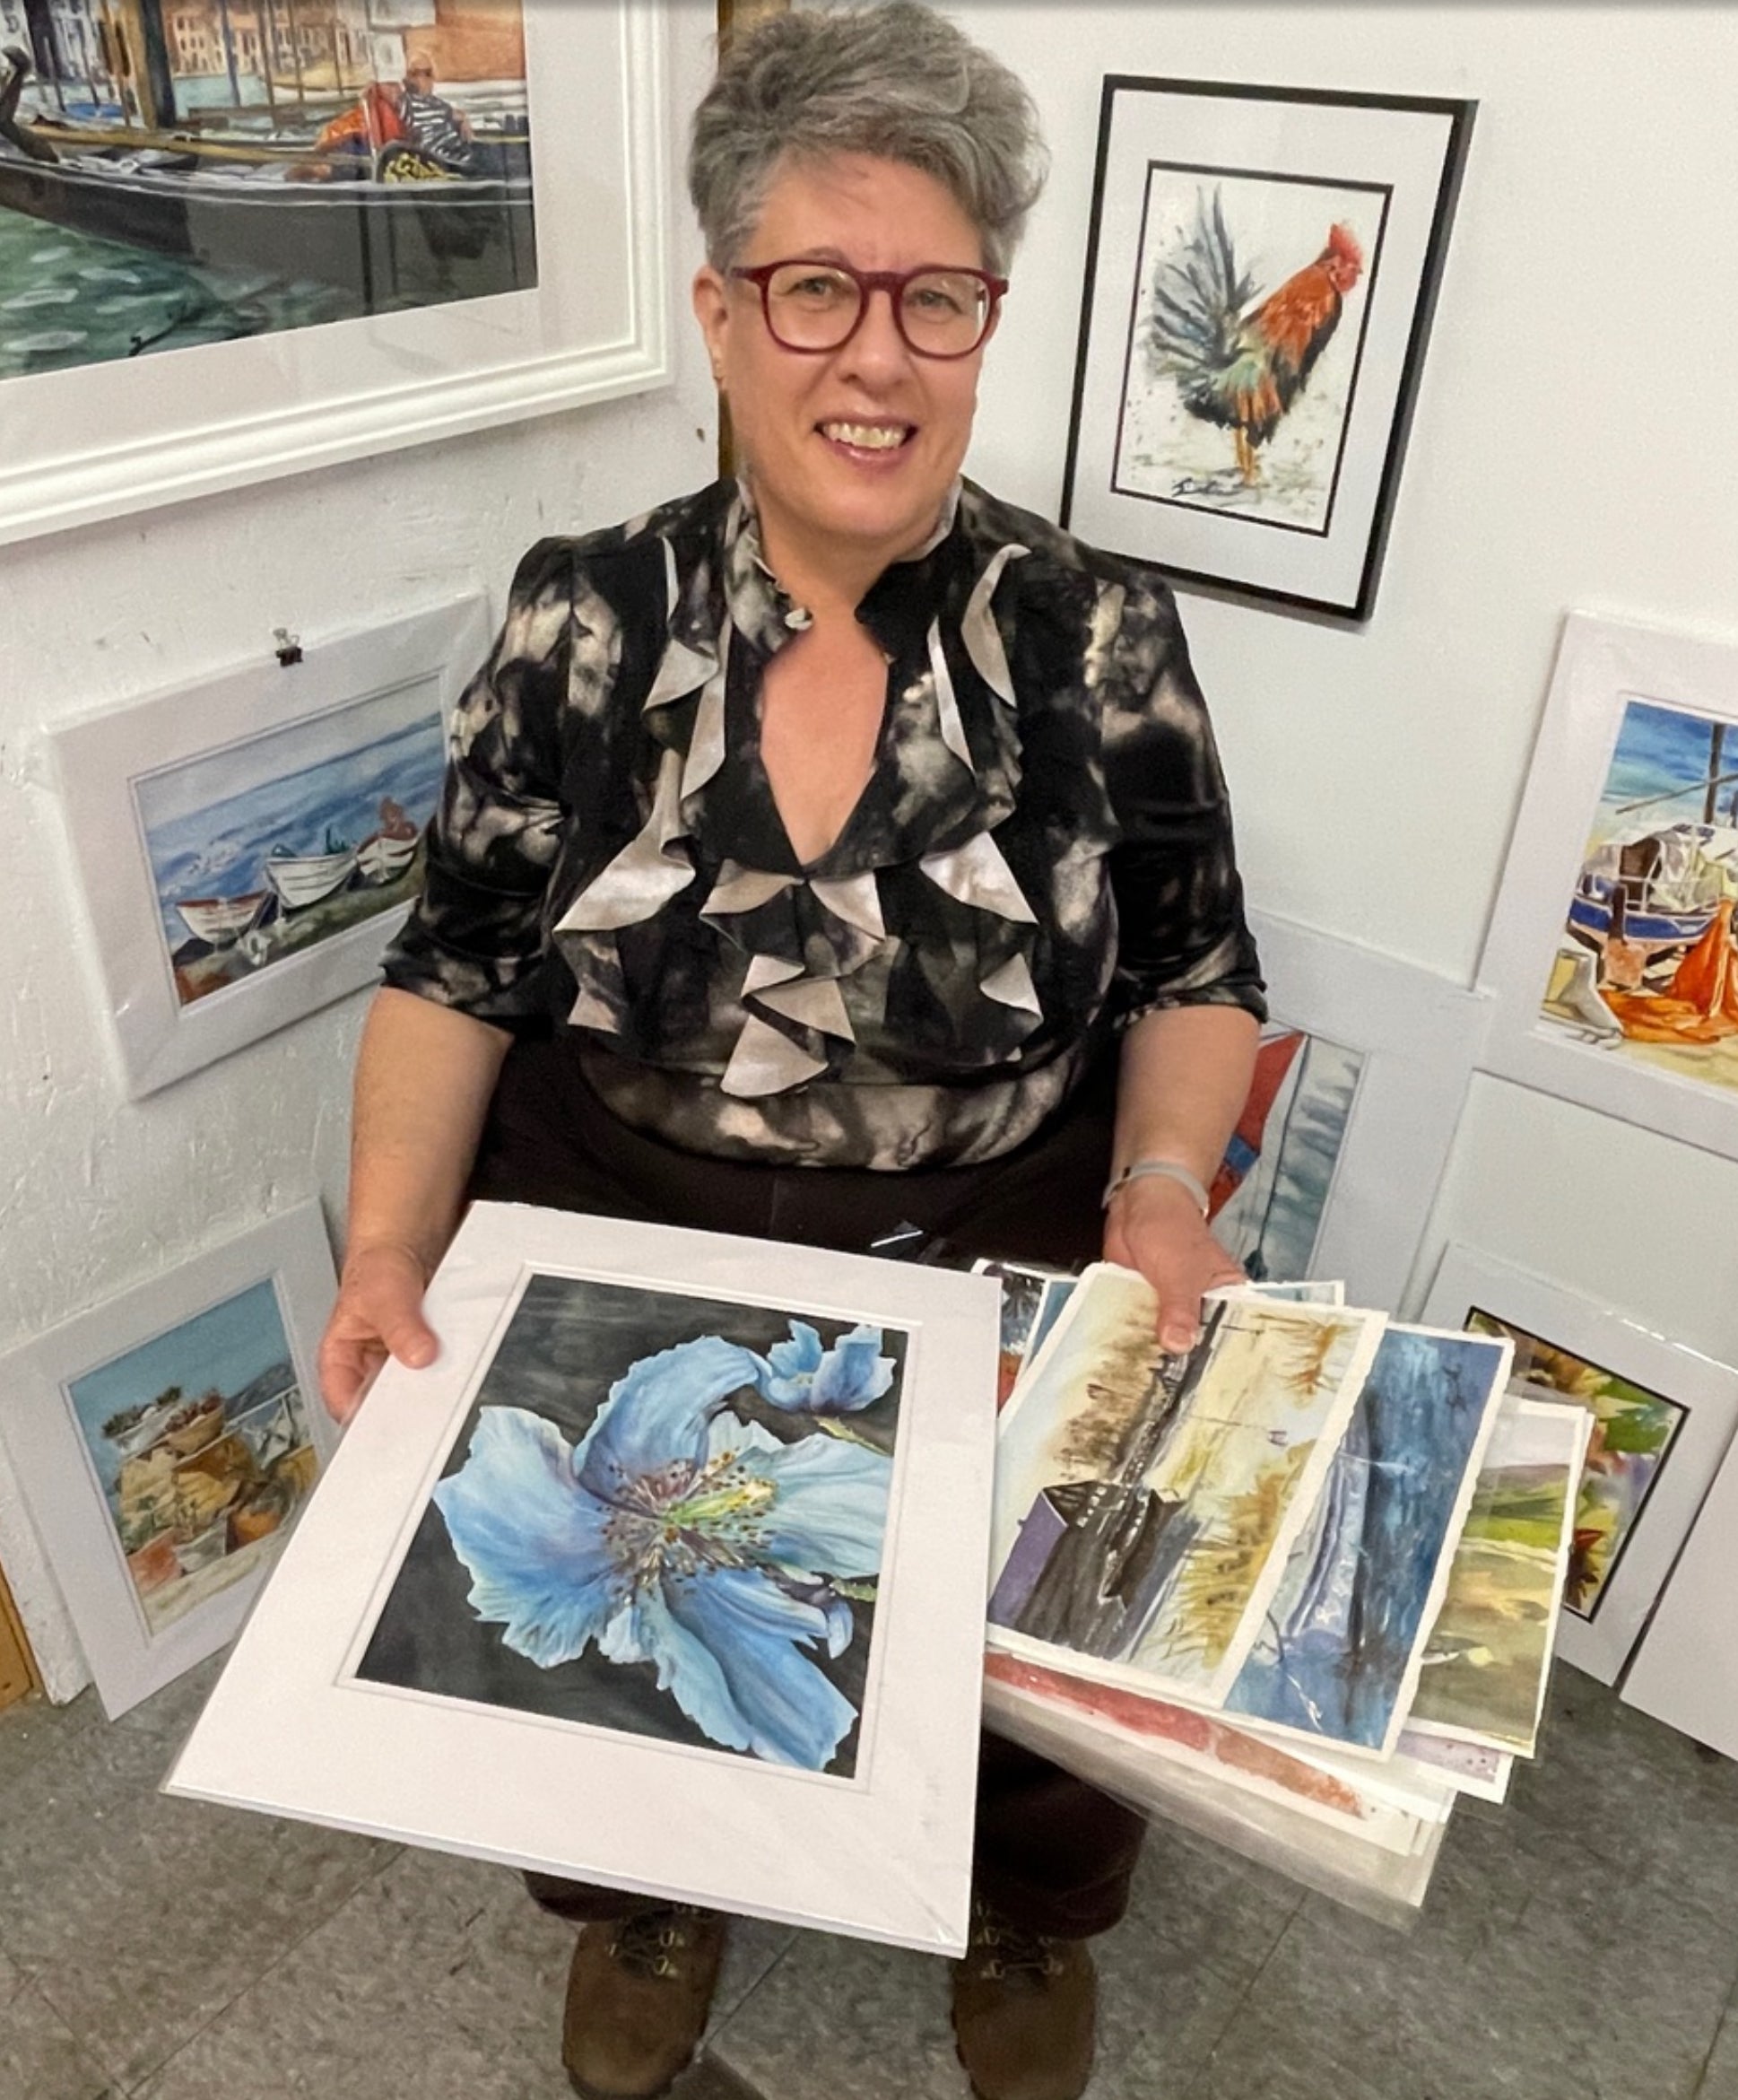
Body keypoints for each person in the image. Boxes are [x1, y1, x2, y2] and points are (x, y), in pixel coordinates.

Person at [317, 6, 1264, 2098]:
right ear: (724, 317)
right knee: (621, 1593)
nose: (879, 355)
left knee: (1029, 1631)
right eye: (818, 287)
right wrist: (388, 1246)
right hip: (619, 1199)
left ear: (987, 321)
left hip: (1002, 1211)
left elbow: (1198, 968)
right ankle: (652, 1888)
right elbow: (456, 964)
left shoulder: (1099, 632)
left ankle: (1024, 1907)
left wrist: (1160, 1192)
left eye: (939, 296)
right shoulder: (582, 615)